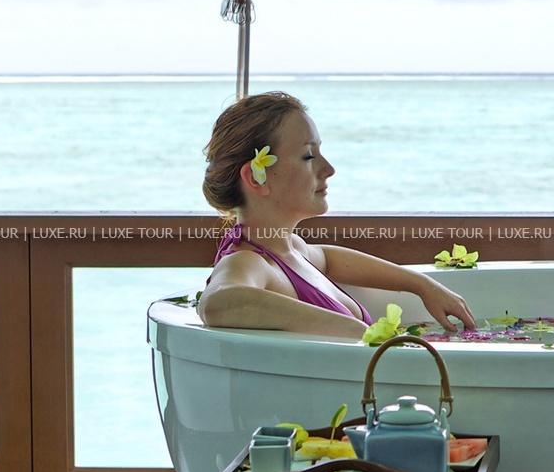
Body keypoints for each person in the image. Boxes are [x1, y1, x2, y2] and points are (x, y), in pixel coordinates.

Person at [198, 92, 475, 337]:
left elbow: (329, 258)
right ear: (256, 178)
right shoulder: (247, 262)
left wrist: (422, 284)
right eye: (308, 156)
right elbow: (217, 303)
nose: (329, 169)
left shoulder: (292, 249)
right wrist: (358, 333)